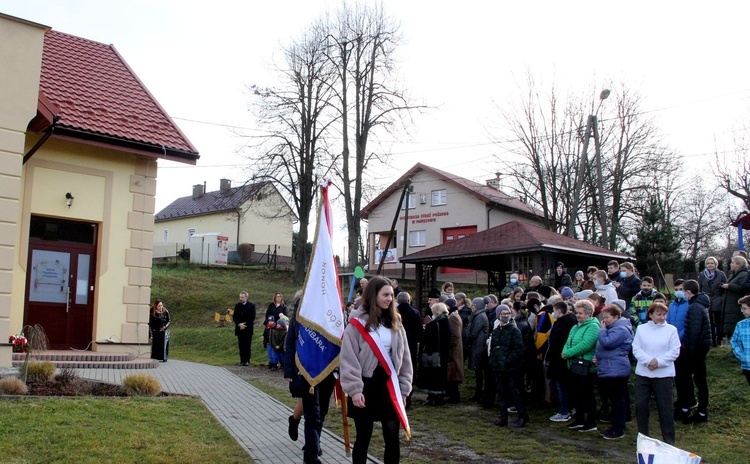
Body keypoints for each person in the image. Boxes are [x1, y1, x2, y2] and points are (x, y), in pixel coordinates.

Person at [340, 276, 413, 464]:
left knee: (392, 438)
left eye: (392, 295)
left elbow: (405, 359)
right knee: (363, 438)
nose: (390, 299)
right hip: (366, 385)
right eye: (385, 294)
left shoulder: (396, 322)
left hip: (389, 385)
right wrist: (355, 390)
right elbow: (349, 359)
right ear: (374, 295)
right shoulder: (356, 325)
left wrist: (404, 389)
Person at [284, 306, 335, 464]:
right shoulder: (298, 318)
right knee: (311, 411)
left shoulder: (330, 314)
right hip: (305, 370)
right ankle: (311, 452)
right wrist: (289, 371)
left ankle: (313, 441)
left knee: (322, 411)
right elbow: (291, 344)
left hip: (326, 370)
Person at [632, 303, 681, 446]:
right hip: (644, 373)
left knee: (665, 408)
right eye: (658, 314)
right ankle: (643, 438)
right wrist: (648, 361)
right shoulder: (642, 329)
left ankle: (669, 441)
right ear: (651, 314)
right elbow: (636, 348)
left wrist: (658, 362)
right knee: (641, 406)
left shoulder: (671, 330)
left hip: (663, 374)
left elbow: (674, 351)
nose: (662, 317)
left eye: (664, 314)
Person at [593, 304, 633, 440]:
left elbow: (607, 343)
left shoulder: (620, 329)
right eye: (604, 317)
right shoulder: (612, 328)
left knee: (617, 399)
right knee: (614, 399)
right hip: (608, 367)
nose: (604, 320)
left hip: (616, 369)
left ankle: (618, 428)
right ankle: (615, 425)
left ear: (616, 317)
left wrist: (602, 330)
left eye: (607, 317)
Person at [676, 279, 711, 424]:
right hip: (698, 347)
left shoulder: (695, 307)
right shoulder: (698, 305)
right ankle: (688, 408)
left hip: (696, 349)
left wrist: (689, 352)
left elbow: (694, 332)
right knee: (695, 379)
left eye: (683, 290)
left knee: (696, 379)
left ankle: (700, 411)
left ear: (688, 292)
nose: (681, 293)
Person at [562, 299, 600, 433]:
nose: (578, 315)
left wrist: (568, 353)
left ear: (589, 314)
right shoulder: (575, 326)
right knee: (576, 393)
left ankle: (590, 421)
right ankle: (579, 419)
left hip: (586, 366)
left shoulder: (593, 326)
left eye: (581, 313)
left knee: (587, 394)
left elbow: (587, 344)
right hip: (574, 364)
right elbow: (569, 340)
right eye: (577, 313)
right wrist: (565, 351)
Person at [490, 305, 528, 427]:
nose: (505, 315)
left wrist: (507, 361)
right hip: (498, 367)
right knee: (501, 393)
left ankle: (522, 416)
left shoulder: (514, 331)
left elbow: (518, 350)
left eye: (507, 313)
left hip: (511, 368)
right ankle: (503, 417)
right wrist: (494, 361)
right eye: (502, 313)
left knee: (513, 392)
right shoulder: (496, 331)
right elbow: (493, 348)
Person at [547, 301, 577, 422]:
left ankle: (564, 410)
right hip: (564, 360)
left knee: (561, 386)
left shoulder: (561, 324)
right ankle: (569, 407)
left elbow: (555, 343)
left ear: (558, 311)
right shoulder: (571, 322)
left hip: (559, 360)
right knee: (565, 386)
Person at [418, 302, 451, 406]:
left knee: (432, 376)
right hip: (443, 354)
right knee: (441, 376)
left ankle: (432, 397)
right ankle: (440, 397)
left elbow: (425, 339)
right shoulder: (447, 322)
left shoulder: (434, 324)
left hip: (433, 354)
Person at [396, 291, 422, 408]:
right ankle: (408, 395)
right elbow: (419, 331)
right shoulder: (415, 312)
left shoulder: (395, 312)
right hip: (410, 343)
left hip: (396, 342)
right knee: (409, 368)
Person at [698, 256, 728, 347]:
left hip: (718, 300)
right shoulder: (702, 275)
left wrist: (722, 298)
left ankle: (719, 340)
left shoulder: (721, 274)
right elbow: (699, 288)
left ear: (716, 264)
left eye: (712, 263)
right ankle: (712, 341)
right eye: (708, 263)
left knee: (718, 322)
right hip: (707, 301)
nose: (710, 265)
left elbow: (725, 286)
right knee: (709, 322)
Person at [721, 256, 749, 342]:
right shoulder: (733, 275)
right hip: (730, 306)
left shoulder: (744, 275)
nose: (730, 264)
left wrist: (729, 286)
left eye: (732, 262)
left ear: (738, 264)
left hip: (736, 306)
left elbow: (743, 289)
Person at [467, 297, 489, 403]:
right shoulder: (478, 315)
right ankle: (479, 392)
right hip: (477, 346)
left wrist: (468, 338)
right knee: (478, 372)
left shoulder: (480, 317)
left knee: (479, 372)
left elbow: (473, 333)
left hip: (479, 347)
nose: (471, 307)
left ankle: (479, 393)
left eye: (473, 305)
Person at [444, 298, 464, 403]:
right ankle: (453, 395)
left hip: (454, 350)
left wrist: (449, 344)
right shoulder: (455, 316)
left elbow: (455, 335)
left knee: (453, 373)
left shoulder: (453, 318)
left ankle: (454, 396)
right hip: (455, 349)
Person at [730, 295, 750, 386]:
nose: (742, 311)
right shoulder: (741, 325)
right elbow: (734, 341)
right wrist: (742, 355)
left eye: (744, 308)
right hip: (747, 366)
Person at [233, 291, 256, 366]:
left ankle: (247, 360)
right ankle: (242, 360)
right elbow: (235, 317)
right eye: (240, 297)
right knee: (241, 345)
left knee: (247, 345)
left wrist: (244, 324)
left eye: (242, 297)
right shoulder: (237, 306)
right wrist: (239, 324)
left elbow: (252, 317)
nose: (240, 299)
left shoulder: (251, 306)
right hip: (239, 329)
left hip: (248, 328)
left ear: (246, 297)